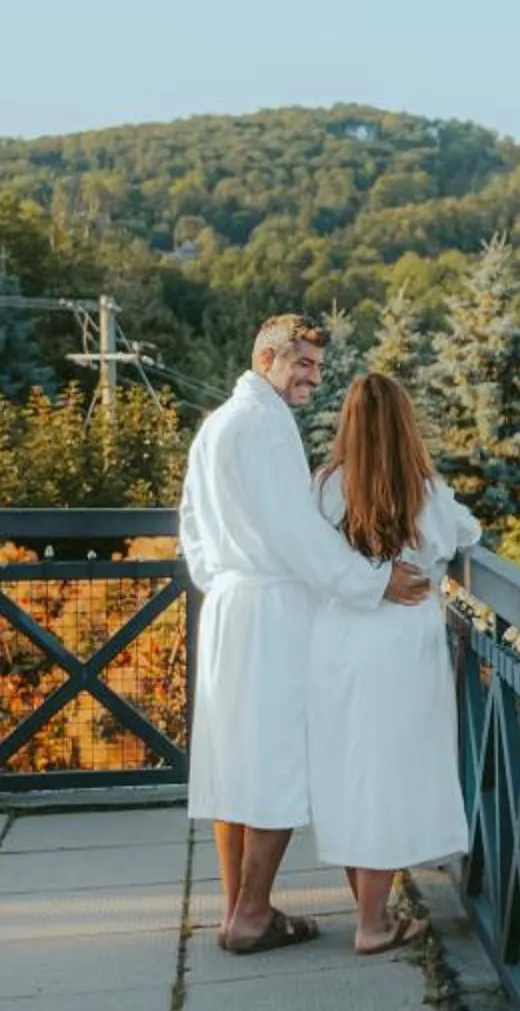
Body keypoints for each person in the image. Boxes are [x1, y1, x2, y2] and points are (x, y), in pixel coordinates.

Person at [179, 315, 432, 955]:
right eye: (304, 365)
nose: (314, 380)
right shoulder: (266, 426)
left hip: (228, 606)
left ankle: (238, 909)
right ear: (267, 358)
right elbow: (296, 532)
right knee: (279, 759)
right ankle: (251, 915)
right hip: (270, 608)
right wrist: (372, 582)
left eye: (318, 368)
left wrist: (224, 581)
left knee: (236, 761)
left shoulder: (216, 424)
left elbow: (191, 527)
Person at [305, 373, 480, 954]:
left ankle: (371, 908)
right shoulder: (423, 490)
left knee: (350, 769)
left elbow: (310, 557)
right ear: (406, 424)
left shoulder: (325, 487)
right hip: (401, 645)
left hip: (336, 641)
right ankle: (372, 924)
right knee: (386, 774)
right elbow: (466, 534)